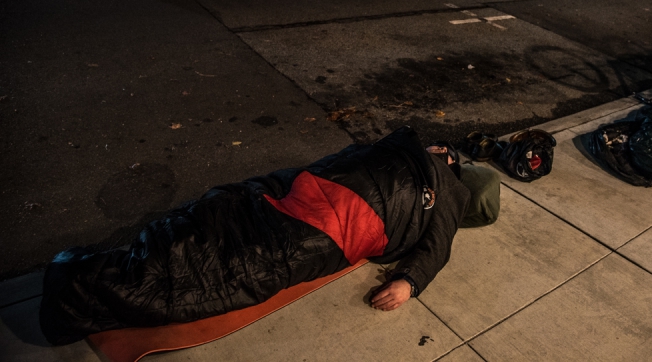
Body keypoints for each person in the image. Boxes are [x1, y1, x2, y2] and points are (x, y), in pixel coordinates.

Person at [39, 126, 499, 345]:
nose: (443, 150)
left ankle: (80, 288)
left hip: (335, 214)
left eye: (450, 155)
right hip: (311, 192)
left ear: (456, 168)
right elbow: (342, 159)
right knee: (222, 222)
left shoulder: (449, 190)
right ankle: (84, 283)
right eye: (443, 147)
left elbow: (437, 246)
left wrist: (409, 282)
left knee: (236, 256)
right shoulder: (403, 147)